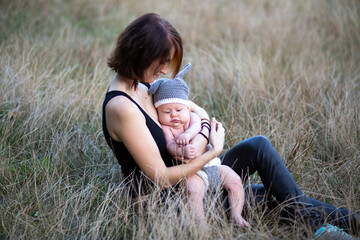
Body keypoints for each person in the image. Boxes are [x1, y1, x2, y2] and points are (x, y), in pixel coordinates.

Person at [102, 12, 359, 237]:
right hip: (171, 203)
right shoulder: (122, 108)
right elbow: (162, 178)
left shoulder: (144, 84)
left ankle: (328, 227)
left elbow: (196, 109)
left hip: (194, 172)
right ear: (139, 54)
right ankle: (329, 228)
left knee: (258, 146)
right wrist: (214, 151)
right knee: (271, 198)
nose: (165, 70)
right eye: (161, 62)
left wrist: (201, 135)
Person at [148, 63, 249, 227]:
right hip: (193, 172)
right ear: (158, 113)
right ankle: (201, 224)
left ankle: (237, 214)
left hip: (214, 166)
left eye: (179, 110)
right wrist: (182, 149)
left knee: (235, 181)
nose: (174, 115)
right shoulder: (166, 129)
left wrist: (187, 135)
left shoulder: (192, 118)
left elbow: (198, 126)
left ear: (187, 108)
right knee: (193, 191)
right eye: (167, 112)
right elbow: (169, 146)